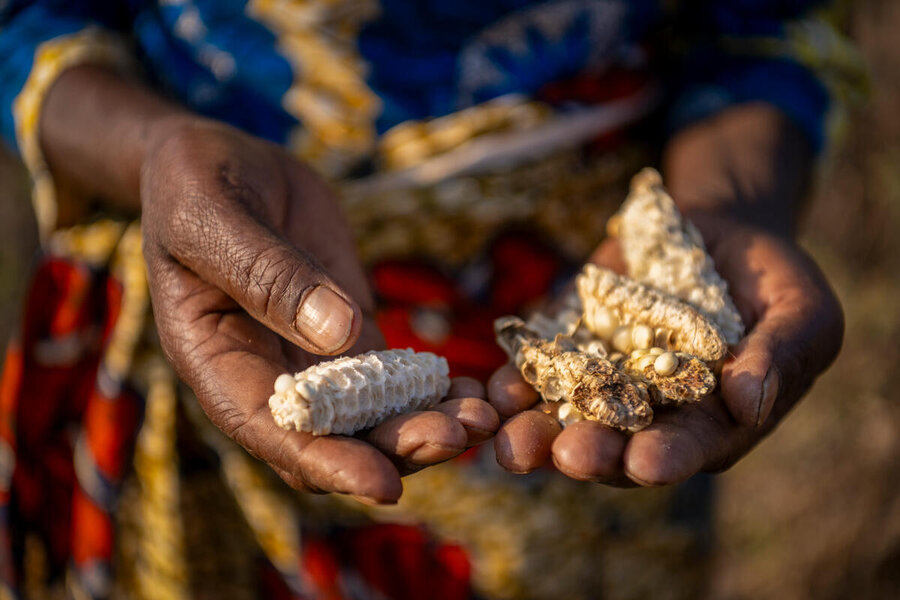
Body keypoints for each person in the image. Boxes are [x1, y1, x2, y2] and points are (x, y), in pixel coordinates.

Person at [0, 1, 862, 598]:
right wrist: (154, 147)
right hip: (217, 286)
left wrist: (727, 204)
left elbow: (769, 23)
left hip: (592, 253)